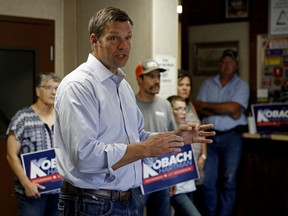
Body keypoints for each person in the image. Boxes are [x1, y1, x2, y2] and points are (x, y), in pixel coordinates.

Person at [54, 7, 215, 216]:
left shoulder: (122, 86)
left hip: (127, 200)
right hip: (91, 203)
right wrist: (145, 148)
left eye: (128, 38)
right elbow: (84, 156)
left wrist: (173, 138)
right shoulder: (79, 86)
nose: (123, 46)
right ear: (94, 41)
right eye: (114, 38)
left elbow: (137, 136)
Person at [194, 49, 249, 216]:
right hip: (209, 138)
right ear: (220, 64)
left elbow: (234, 108)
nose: (226, 65)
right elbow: (197, 106)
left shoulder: (242, 86)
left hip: (232, 138)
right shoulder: (207, 84)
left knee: (229, 182)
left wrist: (208, 107)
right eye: (224, 62)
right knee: (207, 182)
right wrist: (225, 109)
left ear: (236, 66)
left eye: (230, 62)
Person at [6, 72, 61, 216]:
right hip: (32, 191)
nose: (54, 92)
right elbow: (11, 155)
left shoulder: (63, 117)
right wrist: (26, 184)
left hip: (59, 190)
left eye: (57, 88)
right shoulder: (22, 117)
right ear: (38, 91)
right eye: (49, 87)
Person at [133, 59, 177, 216]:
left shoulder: (165, 105)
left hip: (162, 173)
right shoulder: (130, 104)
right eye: (151, 76)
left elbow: (173, 138)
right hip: (137, 176)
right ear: (139, 80)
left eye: (159, 77)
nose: (157, 81)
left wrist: (173, 175)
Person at [167, 95, 202, 216]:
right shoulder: (165, 133)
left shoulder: (188, 131)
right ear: (169, 111)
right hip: (175, 188)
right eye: (178, 109)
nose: (183, 113)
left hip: (188, 184)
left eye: (184, 109)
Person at [177, 70, 207, 183]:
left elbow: (201, 130)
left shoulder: (190, 105)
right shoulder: (171, 106)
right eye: (181, 85)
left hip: (197, 161)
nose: (185, 88)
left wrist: (203, 155)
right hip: (182, 163)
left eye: (188, 85)